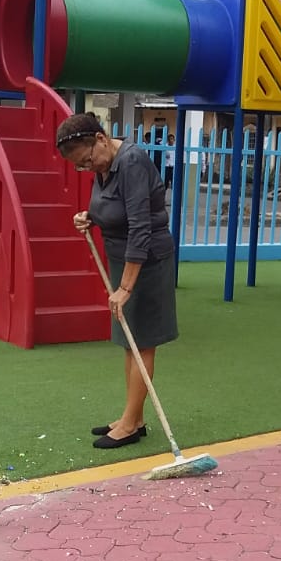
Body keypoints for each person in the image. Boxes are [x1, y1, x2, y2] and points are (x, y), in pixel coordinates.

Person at [55, 113, 179, 449]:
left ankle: (129, 424)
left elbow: (139, 226)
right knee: (129, 340)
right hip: (122, 259)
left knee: (142, 341)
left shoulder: (132, 162)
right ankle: (133, 418)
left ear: (100, 139)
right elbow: (114, 208)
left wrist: (125, 288)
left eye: (87, 160)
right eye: (80, 166)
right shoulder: (105, 164)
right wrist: (90, 217)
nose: (87, 168)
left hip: (147, 261)